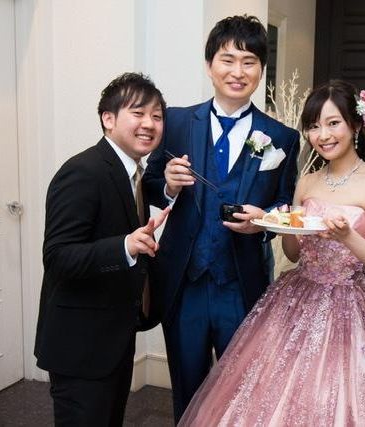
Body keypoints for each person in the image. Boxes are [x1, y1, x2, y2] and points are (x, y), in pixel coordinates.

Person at [177, 80, 365, 426]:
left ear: (355, 125)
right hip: (296, 295)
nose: (323, 135)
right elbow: (294, 252)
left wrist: (348, 237)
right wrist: (274, 222)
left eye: (333, 123)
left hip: (350, 302)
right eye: (313, 126)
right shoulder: (307, 182)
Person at [142, 15, 300, 421]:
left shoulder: (281, 137)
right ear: (209, 65)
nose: (238, 72)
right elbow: (148, 184)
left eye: (249, 62)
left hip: (241, 283)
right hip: (185, 283)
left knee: (241, 395)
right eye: (227, 60)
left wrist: (263, 220)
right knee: (187, 390)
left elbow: (285, 202)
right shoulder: (176, 122)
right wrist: (168, 186)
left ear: (261, 69)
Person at [34, 72, 171, 426]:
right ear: (108, 119)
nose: (149, 124)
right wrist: (125, 246)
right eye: (138, 113)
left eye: (157, 116)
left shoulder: (132, 174)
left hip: (112, 340)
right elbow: (58, 257)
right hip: (81, 346)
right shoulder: (83, 171)